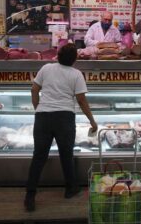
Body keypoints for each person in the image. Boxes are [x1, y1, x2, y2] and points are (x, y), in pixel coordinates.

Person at [24, 43, 98, 211]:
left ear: (57, 55)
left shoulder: (46, 68)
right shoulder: (76, 74)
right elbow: (81, 100)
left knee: (39, 157)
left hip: (43, 117)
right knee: (66, 155)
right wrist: (92, 122)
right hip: (65, 117)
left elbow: (34, 90)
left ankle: (30, 195)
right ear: (75, 59)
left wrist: (39, 110)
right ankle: (70, 188)